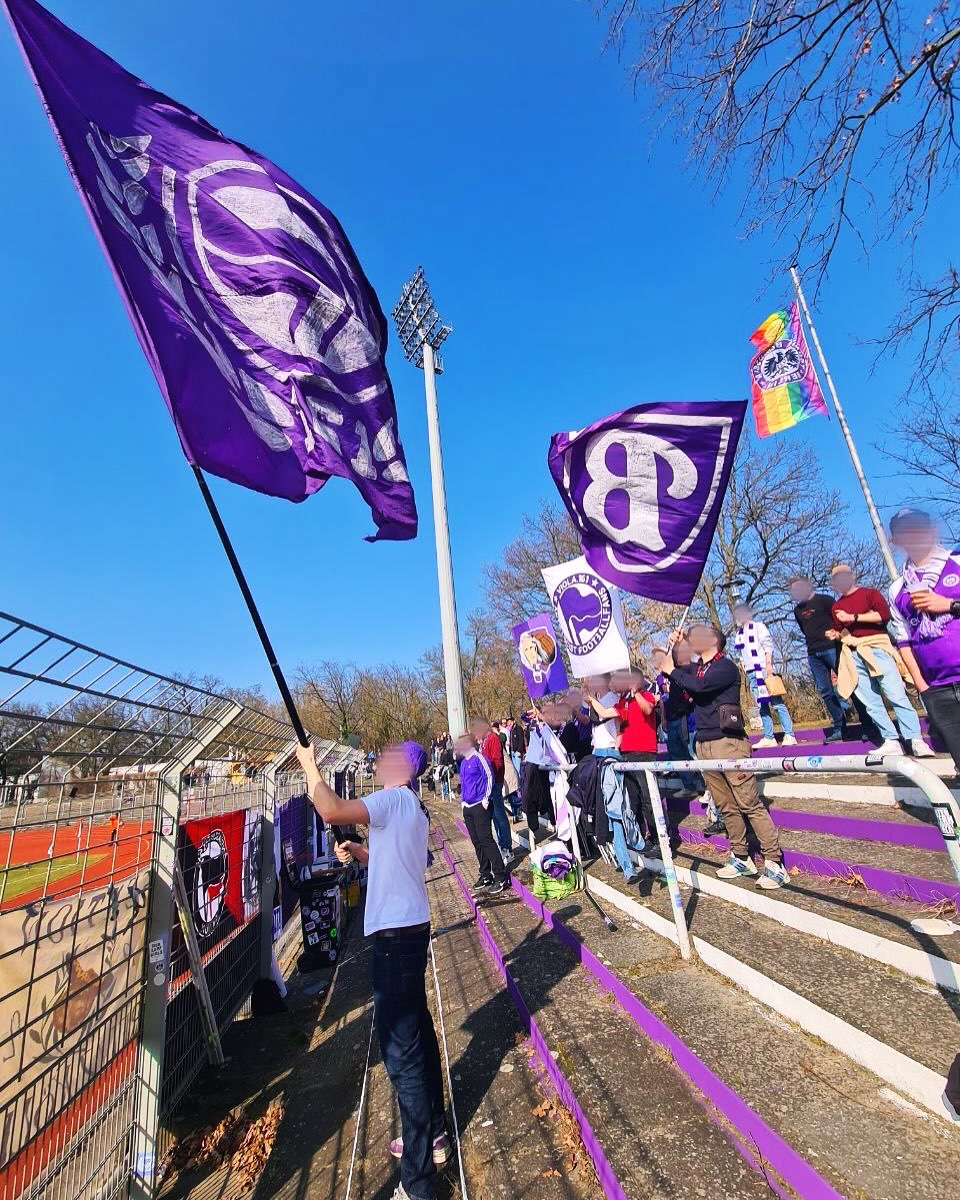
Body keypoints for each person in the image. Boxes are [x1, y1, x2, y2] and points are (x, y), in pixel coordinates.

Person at [295, 741, 450, 1200]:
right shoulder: (411, 808)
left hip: (395, 939)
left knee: (402, 1055)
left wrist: (308, 764)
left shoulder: (391, 799)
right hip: (410, 930)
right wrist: (361, 853)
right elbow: (403, 861)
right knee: (417, 1034)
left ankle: (418, 1183)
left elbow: (330, 807)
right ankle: (433, 1132)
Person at [664, 625, 789, 889]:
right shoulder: (698, 669)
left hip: (729, 743)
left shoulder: (726, 667)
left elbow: (698, 685)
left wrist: (671, 668)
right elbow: (682, 676)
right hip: (705, 744)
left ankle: (774, 862)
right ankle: (741, 856)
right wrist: (676, 647)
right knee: (726, 806)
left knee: (748, 803)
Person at [826, 563, 935, 757]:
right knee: (870, 702)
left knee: (896, 694)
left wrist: (853, 616)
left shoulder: (870, 594)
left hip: (878, 647)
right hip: (853, 653)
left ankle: (915, 738)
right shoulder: (836, 606)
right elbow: (842, 629)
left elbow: (883, 616)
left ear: (852, 575)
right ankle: (890, 739)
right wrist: (835, 633)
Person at [888, 508, 960, 772]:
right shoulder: (898, 589)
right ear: (895, 541)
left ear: (933, 530)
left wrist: (949, 604)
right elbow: (903, 640)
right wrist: (922, 686)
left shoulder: (957, 561)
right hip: (938, 687)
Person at [586, 670, 663, 851]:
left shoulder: (645, 695)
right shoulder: (623, 702)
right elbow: (604, 712)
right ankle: (640, 837)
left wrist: (636, 692)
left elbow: (648, 709)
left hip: (644, 753)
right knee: (632, 799)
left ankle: (659, 839)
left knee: (648, 799)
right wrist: (590, 698)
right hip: (626, 754)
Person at [583, 673, 643, 884]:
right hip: (598, 755)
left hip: (609, 755)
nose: (590, 683)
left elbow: (603, 717)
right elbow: (591, 720)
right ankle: (621, 856)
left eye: (594, 679)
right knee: (605, 810)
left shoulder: (612, 700)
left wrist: (591, 699)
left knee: (616, 810)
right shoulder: (598, 701)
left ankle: (628, 863)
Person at [788, 575, 846, 742]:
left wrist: (837, 635)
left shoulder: (825, 601)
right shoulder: (798, 610)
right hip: (813, 653)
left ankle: (866, 723)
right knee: (825, 691)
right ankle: (839, 726)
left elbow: (838, 621)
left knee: (848, 685)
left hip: (832, 649)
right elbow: (804, 629)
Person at [732, 604, 797, 748]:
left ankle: (789, 734)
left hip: (762, 668)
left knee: (776, 701)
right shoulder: (739, 634)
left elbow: (767, 645)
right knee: (761, 704)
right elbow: (739, 653)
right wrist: (743, 666)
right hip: (751, 672)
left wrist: (768, 664)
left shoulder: (758, 627)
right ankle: (769, 736)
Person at [454, 733, 510, 894]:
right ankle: (485, 874)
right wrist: (463, 802)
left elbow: (490, 777)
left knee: (486, 839)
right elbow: (464, 783)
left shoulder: (480, 758)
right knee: (476, 841)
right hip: (468, 806)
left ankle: (500, 876)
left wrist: (486, 798)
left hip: (481, 805)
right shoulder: (464, 762)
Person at [663, 639, 703, 798]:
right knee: (676, 753)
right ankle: (688, 785)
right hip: (673, 718)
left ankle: (705, 785)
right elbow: (663, 657)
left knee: (693, 752)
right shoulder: (670, 672)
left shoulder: (695, 669)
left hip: (689, 718)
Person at [472, 718, 513, 860]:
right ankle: (501, 845)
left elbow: (497, 761)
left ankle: (507, 847)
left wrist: (491, 777)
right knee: (494, 816)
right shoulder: (484, 741)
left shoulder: (493, 739)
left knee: (500, 815)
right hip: (488, 784)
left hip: (494, 782)